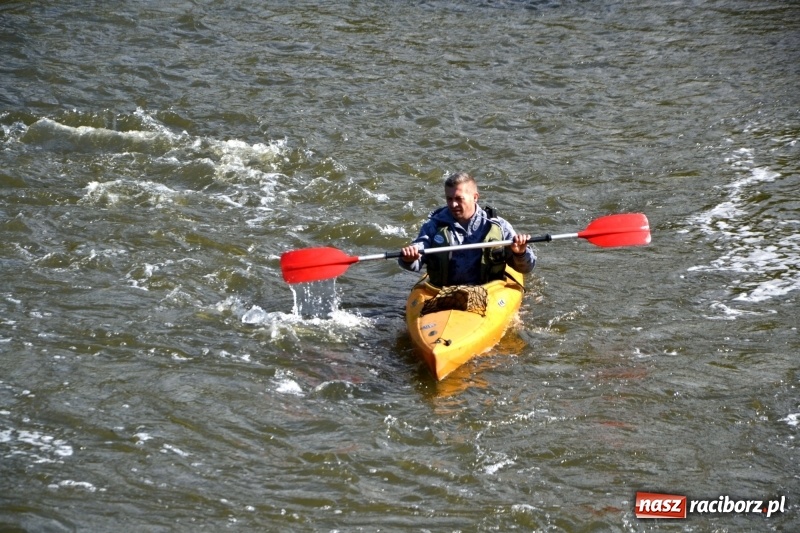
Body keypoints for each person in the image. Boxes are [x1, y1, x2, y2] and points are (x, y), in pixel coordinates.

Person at [398, 172, 535, 286]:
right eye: (449, 199)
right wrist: (410, 258)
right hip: (443, 292)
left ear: (475, 197)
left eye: (459, 198)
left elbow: (526, 267)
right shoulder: (433, 225)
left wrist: (520, 253)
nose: (453, 204)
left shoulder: (497, 226)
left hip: (488, 292)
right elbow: (414, 263)